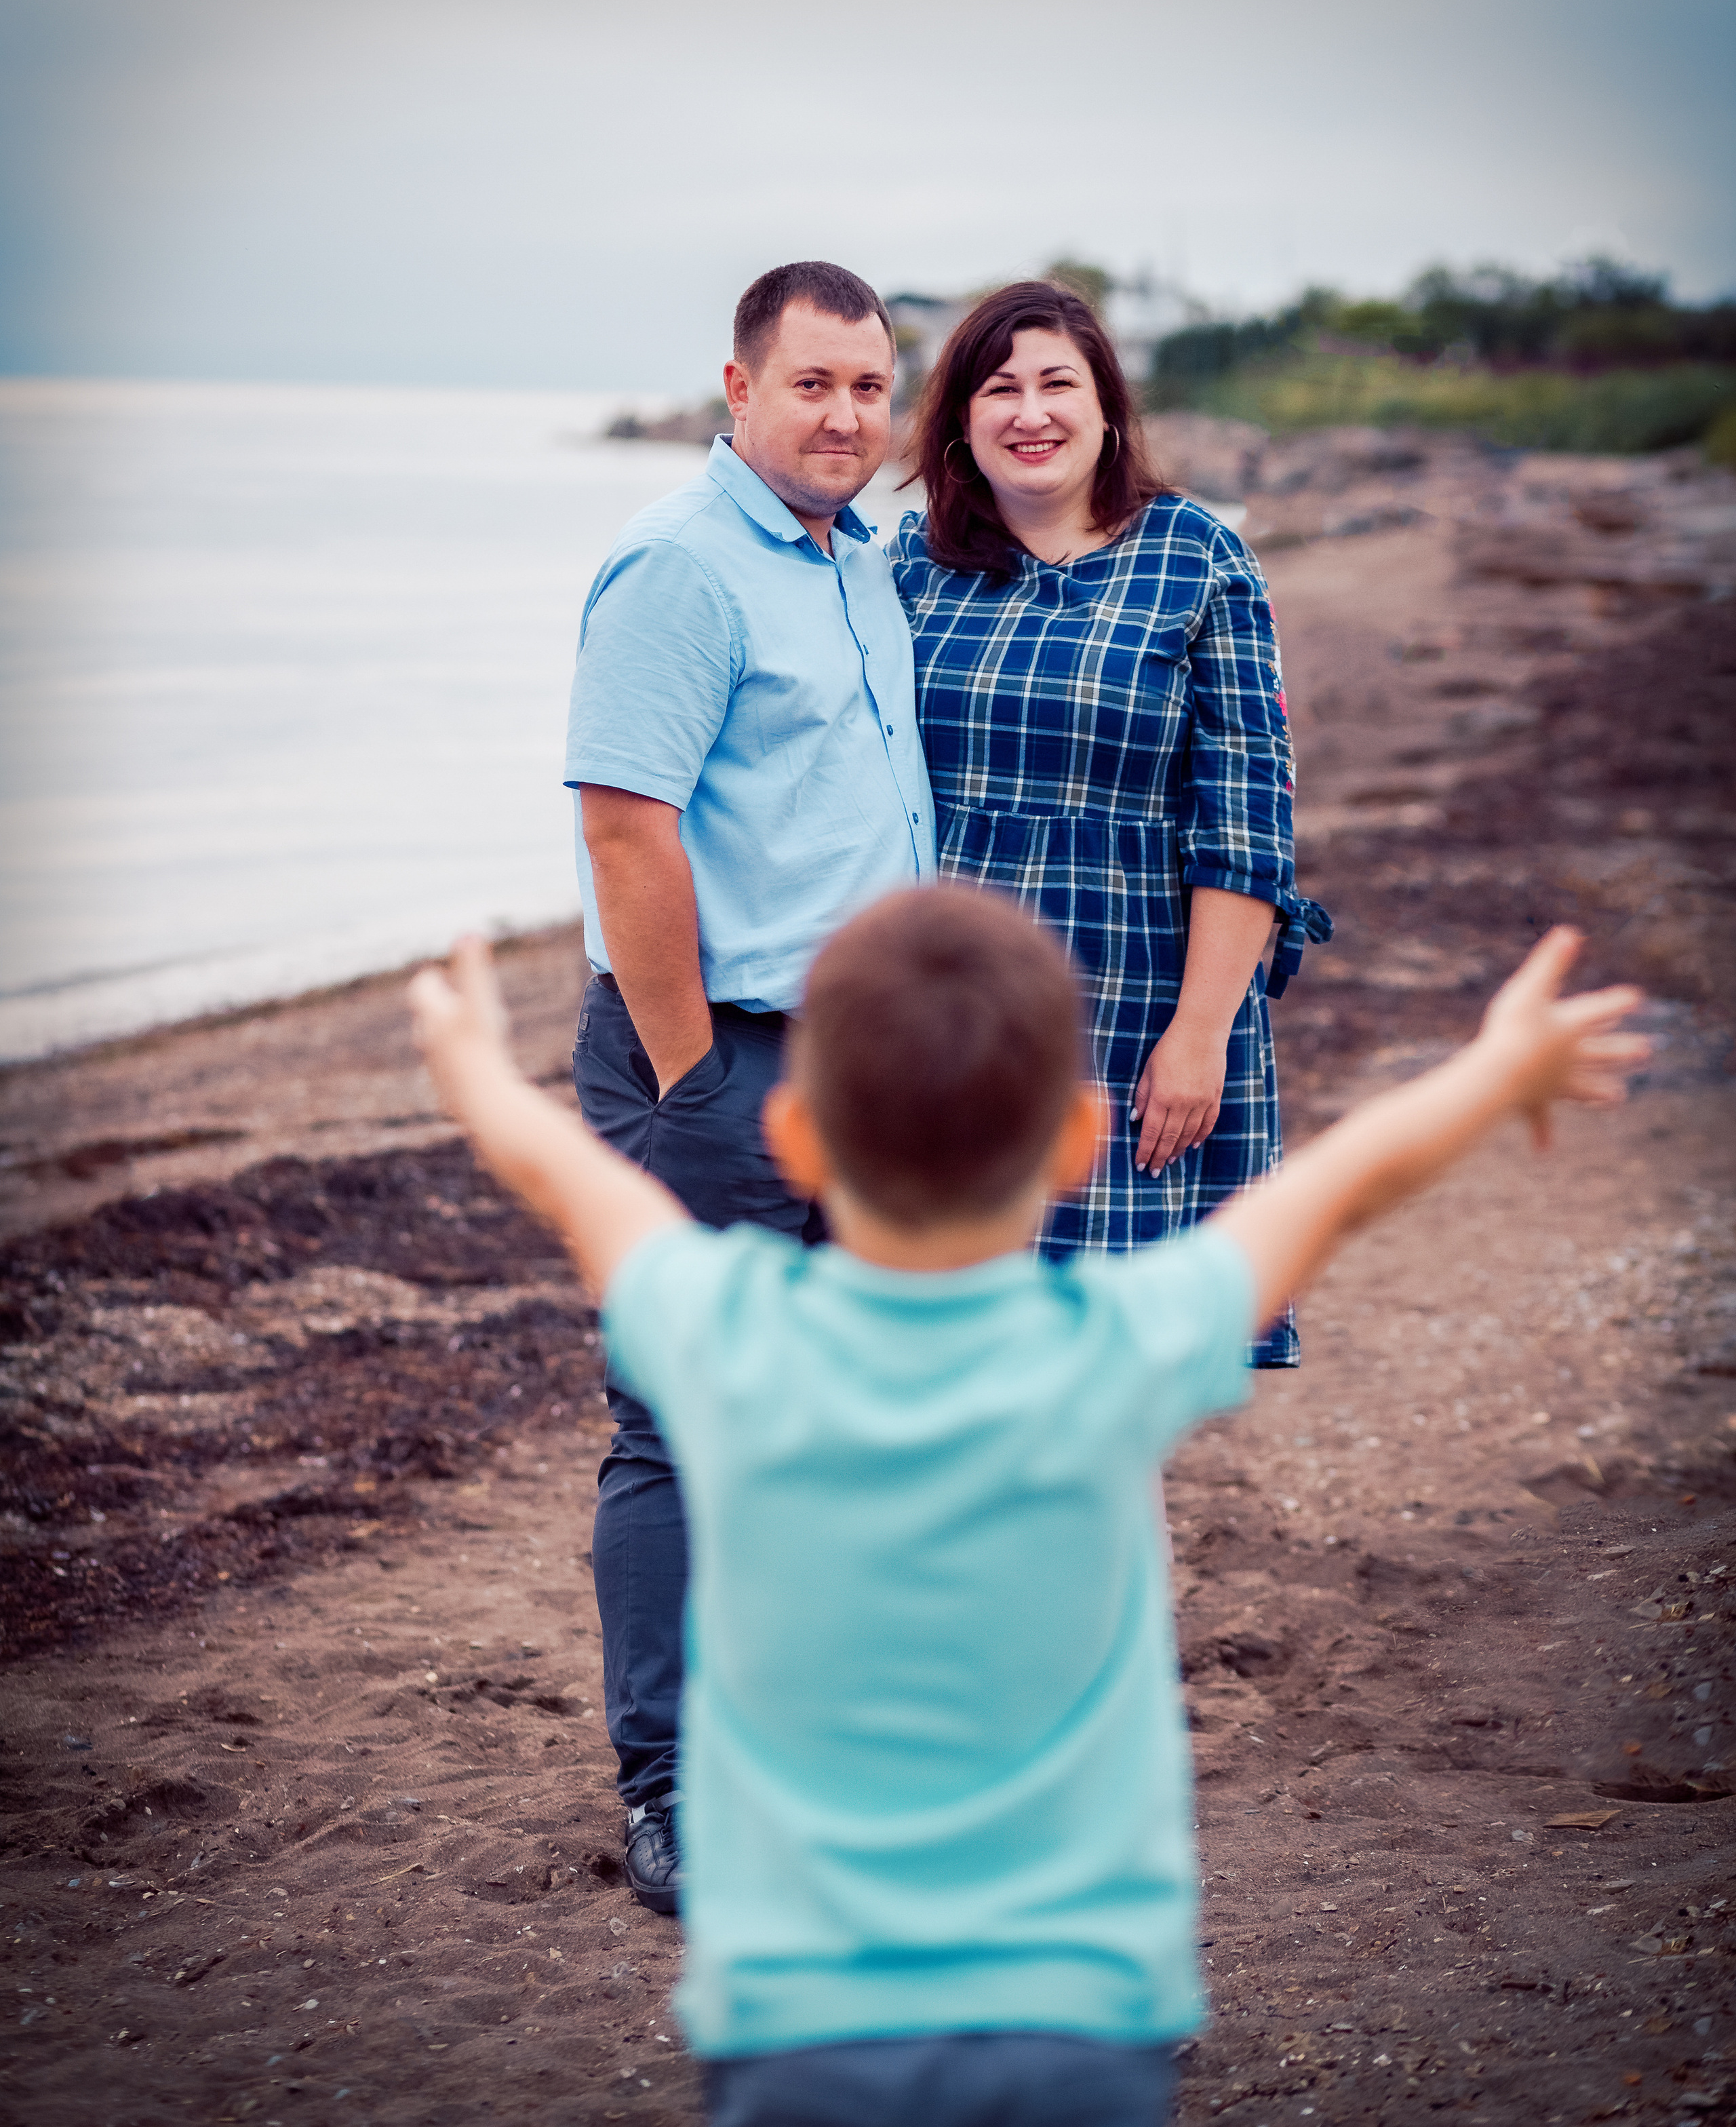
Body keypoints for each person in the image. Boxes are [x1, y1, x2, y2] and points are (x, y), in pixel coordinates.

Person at [410, 888, 1644, 2127]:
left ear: (793, 1142)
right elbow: (1340, 1187)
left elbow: (575, 1186)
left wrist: (471, 1070)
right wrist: (1499, 1070)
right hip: (1079, 2017)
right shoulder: (1118, 1349)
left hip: (801, 2023)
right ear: (1075, 1141)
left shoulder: (732, 1337)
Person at [562, 260, 935, 1913]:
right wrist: (694, 1066)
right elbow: (622, 823)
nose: (845, 415)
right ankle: (668, 1795)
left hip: (858, 1064)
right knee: (679, 1428)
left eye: (868, 386)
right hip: (707, 1054)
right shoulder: (679, 567)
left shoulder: (857, 563)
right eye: (813, 385)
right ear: (737, 386)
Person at [890, 280, 1330, 1365]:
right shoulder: (907, 566)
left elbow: (1246, 819)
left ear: (1107, 409)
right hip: (946, 1014)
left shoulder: (1198, 557)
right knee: (949, 1345)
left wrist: (1201, 1035)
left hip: (1134, 1012)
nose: (1030, 412)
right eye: (999, 389)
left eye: (1057, 384)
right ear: (958, 422)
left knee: (1105, 1367)